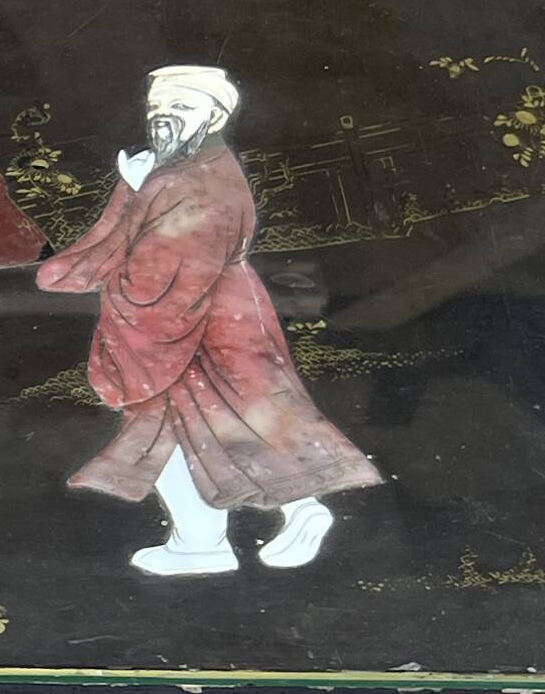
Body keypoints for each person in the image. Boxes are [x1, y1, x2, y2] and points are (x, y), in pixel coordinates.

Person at [34, 62, 380, 575]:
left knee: (185, 431)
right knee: (228, 425)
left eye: (180, 107)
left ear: (216, 112)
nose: (164, 119)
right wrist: (136, 190)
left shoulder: (186, 184)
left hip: (193, 323)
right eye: (156, 109)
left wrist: (133, 200)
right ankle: (262, 521)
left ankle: (212, 541)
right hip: (229, 311)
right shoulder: (193, 170)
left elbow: (154, 276)